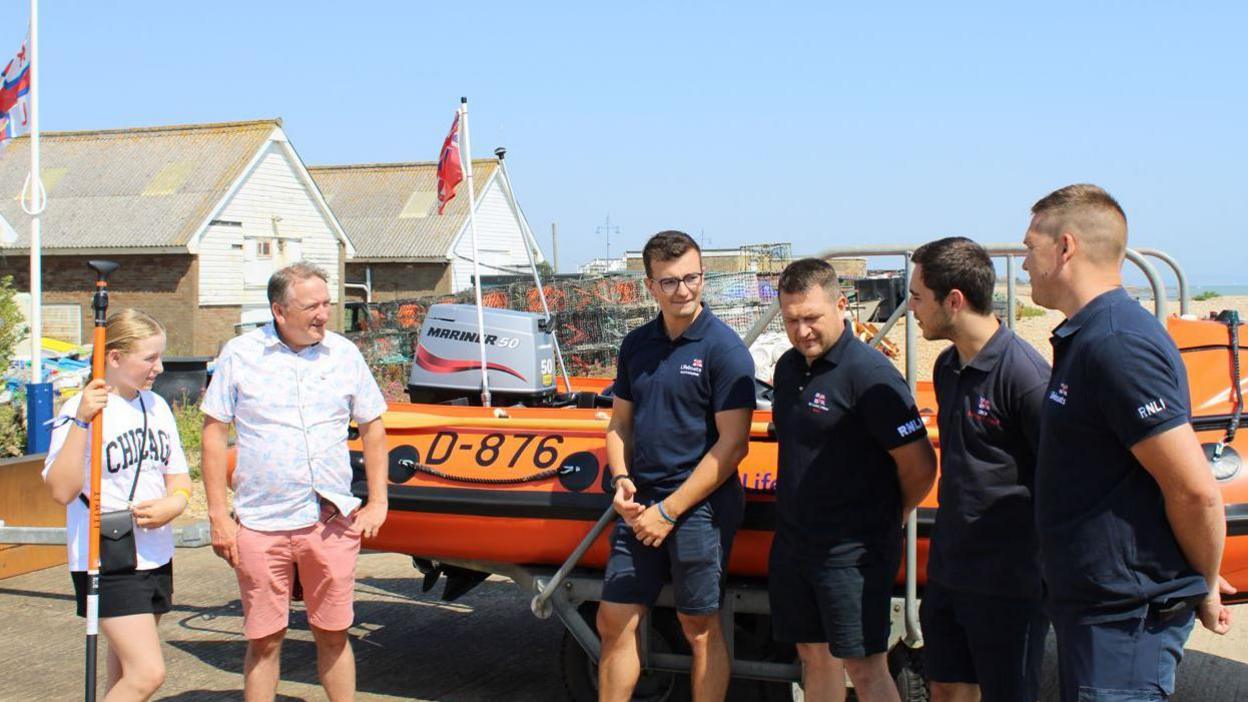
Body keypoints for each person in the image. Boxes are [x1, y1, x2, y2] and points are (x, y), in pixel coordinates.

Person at [1023, 184, 1233, 701]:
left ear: (1065, 247)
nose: (1024, 263)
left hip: (1125, 620)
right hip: (1095, 610)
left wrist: (1203, 579)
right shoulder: (1087, 336)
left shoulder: (1117, 343)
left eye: (1030, 247)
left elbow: (1195, 490)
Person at [201, 262, 389, 702]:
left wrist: (378, 501)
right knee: (264, 641)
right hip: (261, 523)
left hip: (330, 521)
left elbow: (373, 427)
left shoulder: (344, 354)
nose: (324, 313)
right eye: (312, 306)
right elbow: (213, 435)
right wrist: (217, 518)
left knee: (334, 633)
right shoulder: (240, 354)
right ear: (279, 311)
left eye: (327, 303)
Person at [597, 230, 756, 702]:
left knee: (698, 624)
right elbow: (619, 423)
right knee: (614, 618)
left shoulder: (724, 350)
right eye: (669, 282)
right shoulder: (637, 345)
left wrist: (667, 512)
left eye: (691, 278)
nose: (683, 290)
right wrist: (622, 480)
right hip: (639, 501)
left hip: (698, 507)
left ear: (703, 276)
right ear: (650, 286)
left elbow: (732, 447)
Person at [770, 258, 937, 702]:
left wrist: (892, 514)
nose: (802, 330)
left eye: (811, 318)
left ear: (841, 305)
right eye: (791, 320)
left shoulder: (871, 375)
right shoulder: (788, 369)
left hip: (852, 551)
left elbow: (920, 466)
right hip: (795, 543)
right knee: (812, 654)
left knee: (864, 667)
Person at [908, 237, 1050, 702]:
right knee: (946, 687)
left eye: (917, 297)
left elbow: (1060, 478)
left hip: (1008, 579)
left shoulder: (1024, 376)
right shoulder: (949, 368)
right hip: (951, 567)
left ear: (954, 300)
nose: (910, 308)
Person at [43, 309, 192, 701]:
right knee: (147, 673)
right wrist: (81, 420)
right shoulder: (80, 409)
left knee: (125, 671)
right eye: (149, 358)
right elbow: (61, 489)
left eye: (160, 357)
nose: (158, 367)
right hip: (105, 555)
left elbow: (178, 475)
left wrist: (174, 504)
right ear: (114, 358)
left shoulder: (156, 406)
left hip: (154, 553)